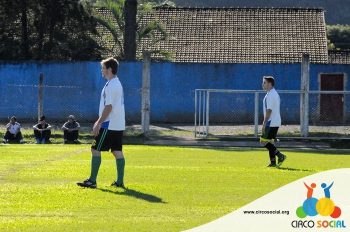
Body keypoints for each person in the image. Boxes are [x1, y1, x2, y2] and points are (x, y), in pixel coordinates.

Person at [77, 57, 126, 189]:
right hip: (118, 123)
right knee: (116, 151)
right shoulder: (115, 83)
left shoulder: (112, 85)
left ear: (109, 69)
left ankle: (92, 181)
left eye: (103, 68)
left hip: (109, 124)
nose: (102, 70)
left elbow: (109, 106)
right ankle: (120, 181)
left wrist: (99, 122)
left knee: (95, 149)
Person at [260, 76, 286, 167]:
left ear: (270, 84)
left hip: (271, 122)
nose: (262, 84)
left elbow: (269, 110)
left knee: (263, 141)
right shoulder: (271, 93)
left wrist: (264, 123)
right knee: (270, 142)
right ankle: (273, 163)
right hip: (275, 122)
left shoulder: (271, 95)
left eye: (264, 82)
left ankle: (280, 156)